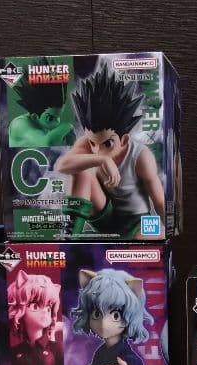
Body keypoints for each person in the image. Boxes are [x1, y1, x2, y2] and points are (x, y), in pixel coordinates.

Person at [56, 65, 165, 239]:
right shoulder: (87, 143)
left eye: (107, 143)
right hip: (106, 217)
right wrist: (102, 160)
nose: (98, 150)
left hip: (136, 222)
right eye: (93, 142)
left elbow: (159, 201)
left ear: (124, 140)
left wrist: (169, 229)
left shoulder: (141, 156)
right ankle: (69, 236)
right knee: (81, 168)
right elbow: (62, 166)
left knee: (149, 238)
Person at [8, 78, 75, 148]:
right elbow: (47, 142)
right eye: (51, 118)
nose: (57, 123)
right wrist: (69, 126)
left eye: (58, 117)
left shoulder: (44, 123)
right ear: (35, 117)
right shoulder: (19, 124)